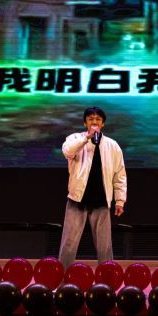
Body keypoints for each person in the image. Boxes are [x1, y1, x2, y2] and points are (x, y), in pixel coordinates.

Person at [58, 106, 127, 270]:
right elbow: (67, 151)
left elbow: (120, 174)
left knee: (105, 247)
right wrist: (86, 138)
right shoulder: (75, 138)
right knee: (68, 244)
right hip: (77, 200)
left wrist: (120, 200)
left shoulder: (112, 145)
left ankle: (107, 281)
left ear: (103, 124)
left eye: (98, 119)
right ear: (85, 123)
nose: (94, 122)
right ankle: (61, 280)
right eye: (90, 119)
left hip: (101, 201)